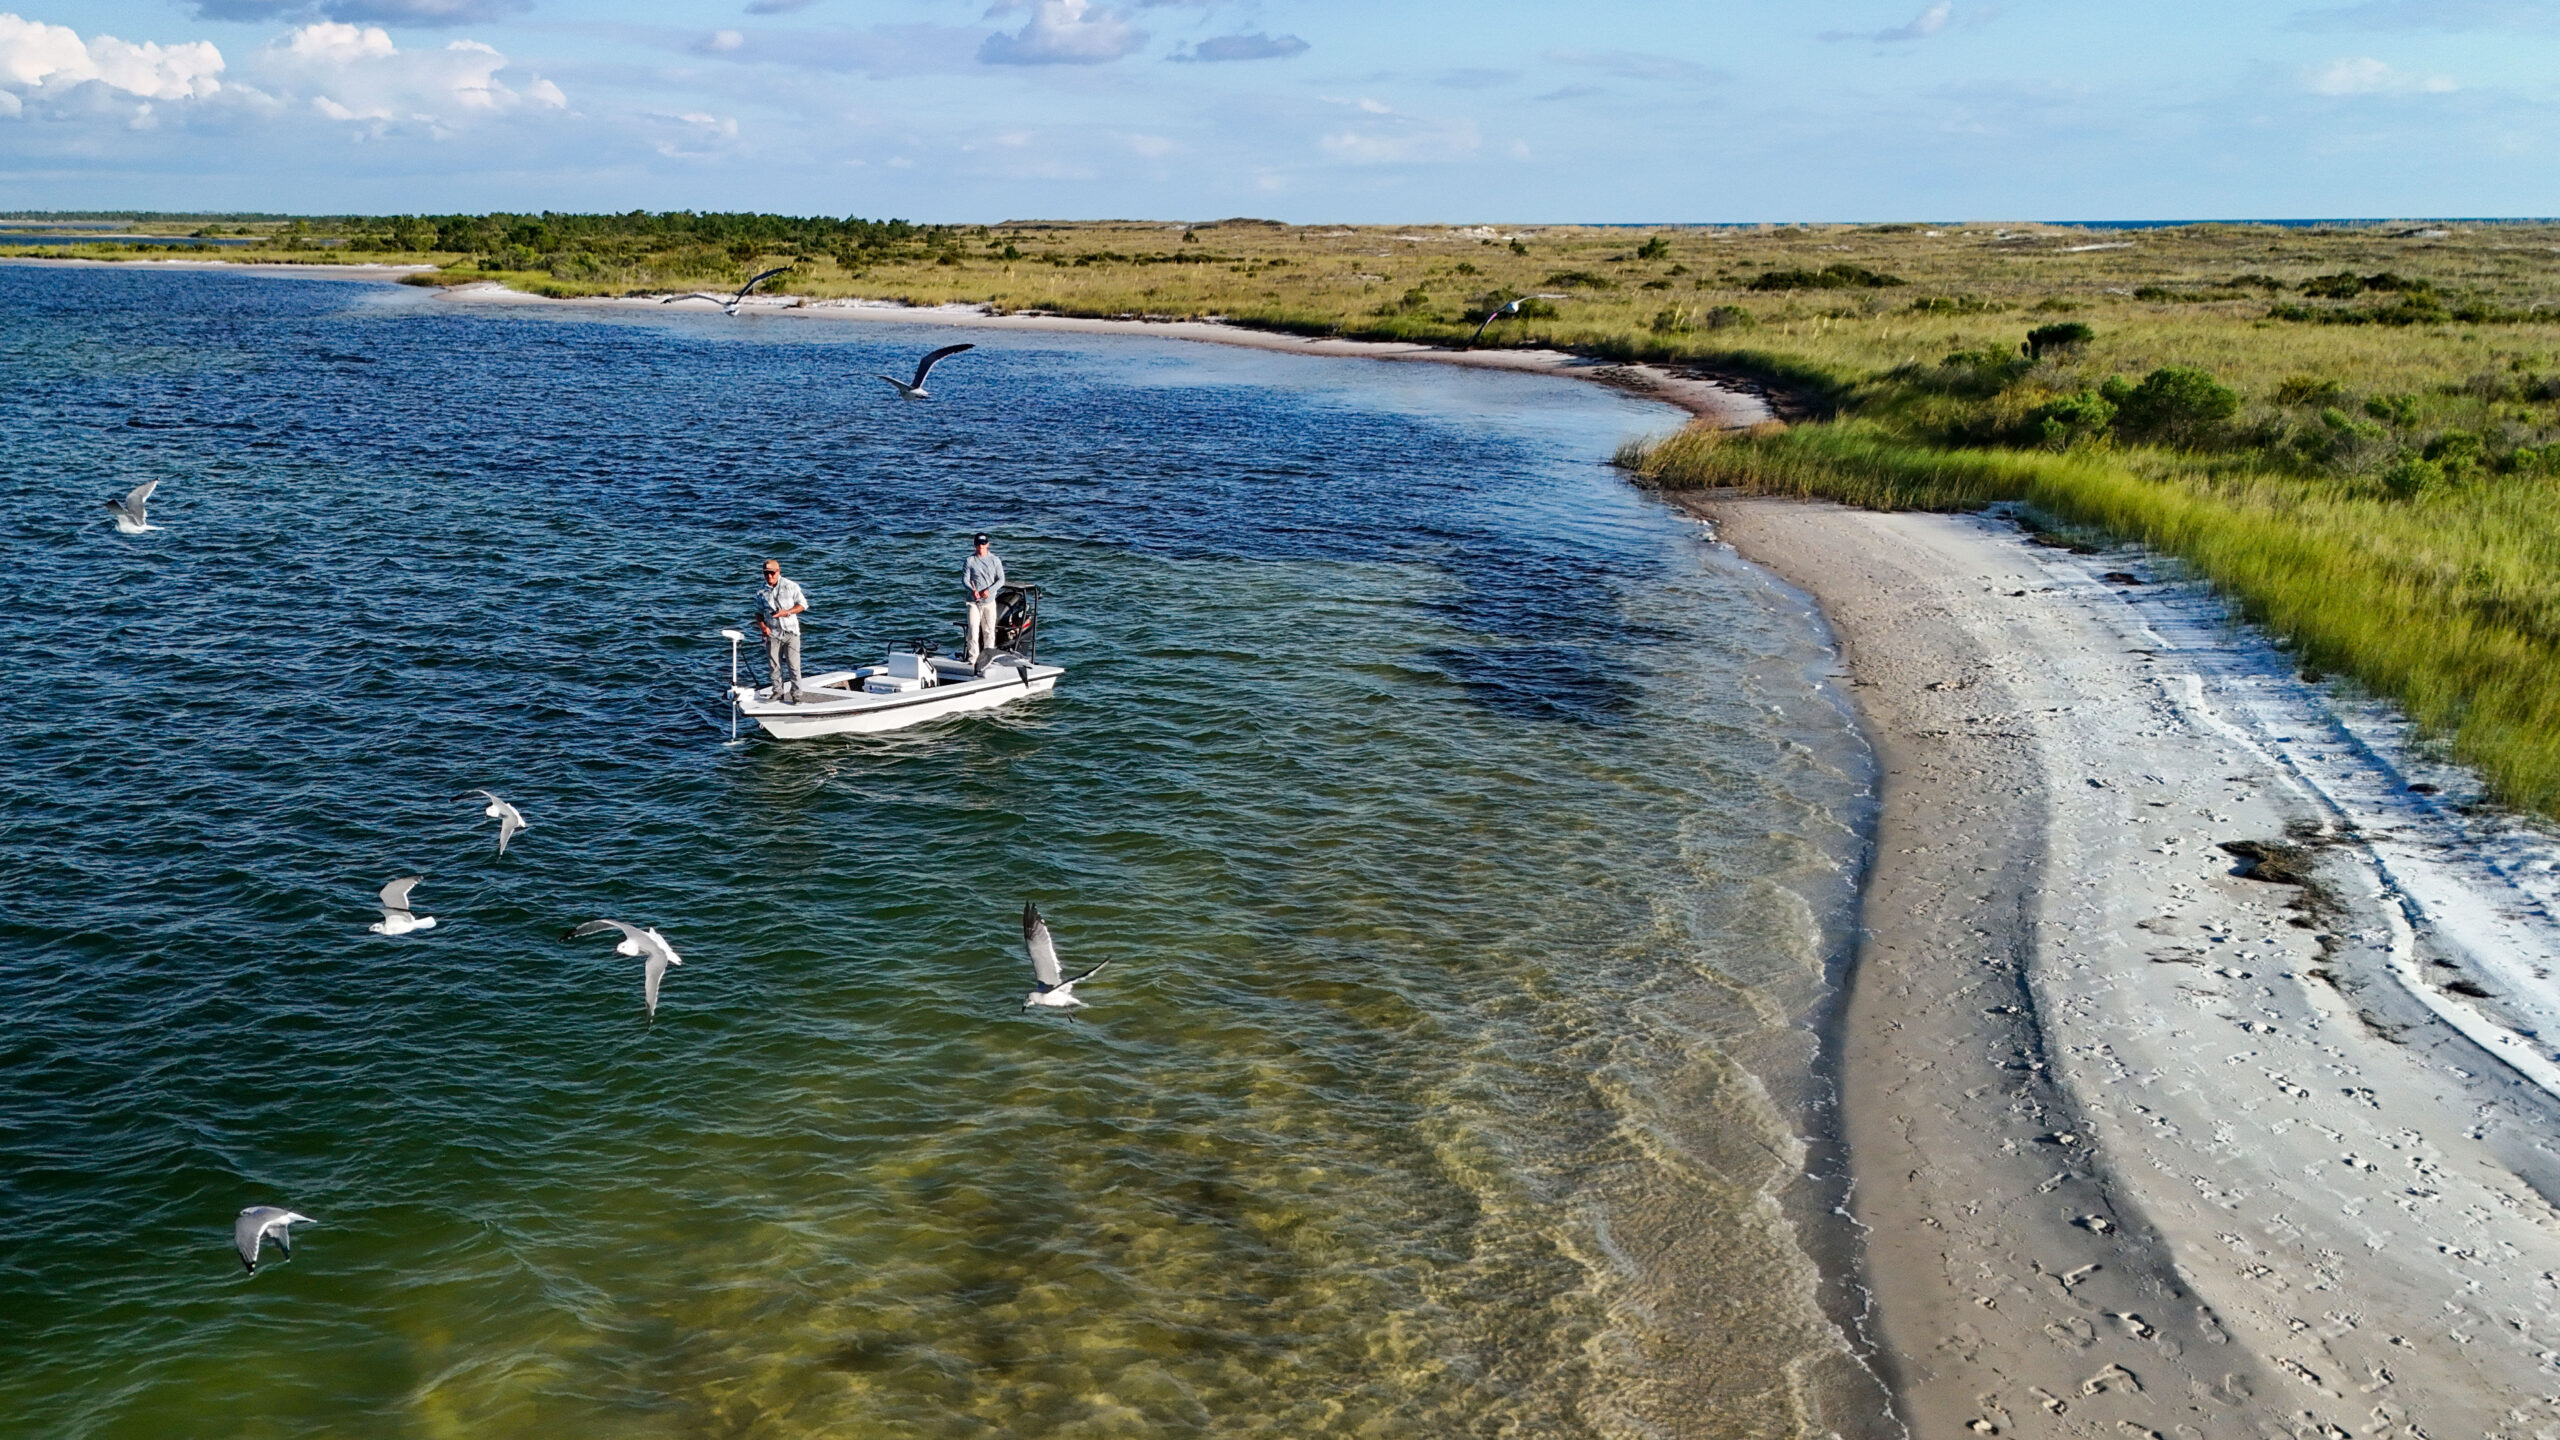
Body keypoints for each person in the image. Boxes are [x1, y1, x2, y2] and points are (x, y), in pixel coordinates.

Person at [755, 558, 808, 701]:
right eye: (766, 573)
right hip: (772, 633)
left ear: (778, 572)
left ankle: (796, 695)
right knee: (774, 666)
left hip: (791, 633)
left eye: (772, 573)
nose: (769, 576)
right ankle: (777, 691)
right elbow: (758, 613)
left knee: (794, 666)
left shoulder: (791, 586)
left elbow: (803, 605)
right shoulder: (761, 591)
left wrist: (788, 612)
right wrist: (763, 627)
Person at [963, 532, 1006, 669]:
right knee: (973, 629)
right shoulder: (969, 561)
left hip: (989, 602)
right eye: (978, 543)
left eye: (983, 543)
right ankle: (973, 658)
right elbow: (964, 580)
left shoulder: (995, 560)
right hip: (973, 602)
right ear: (975, 545)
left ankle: (989, 657)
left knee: (988, 631)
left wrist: (989, 591)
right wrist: (972, 590)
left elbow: (1001, 580)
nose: (980, 546)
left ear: (987, 544)